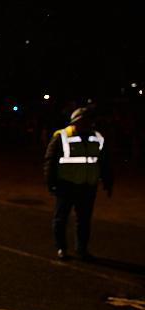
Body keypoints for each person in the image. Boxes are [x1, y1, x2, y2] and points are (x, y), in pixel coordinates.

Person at [44, 106, 113, 260]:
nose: (88, 123)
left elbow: (104, 161)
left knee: (83, 221)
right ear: (76, 121)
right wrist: (50, 182)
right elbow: (50, 160)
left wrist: (108, 181)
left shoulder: (97, 137)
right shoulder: (62, 136)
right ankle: (61, 248)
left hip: (88, 186)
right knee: (61, 219)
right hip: (66, 186)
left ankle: (82, 249)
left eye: (89, 119)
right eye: (84, 120)